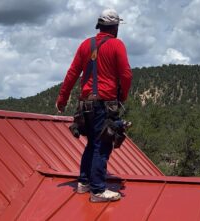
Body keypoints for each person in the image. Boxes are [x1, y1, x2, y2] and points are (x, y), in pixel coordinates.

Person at [56, 8, 132, 202]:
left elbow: (72, 73)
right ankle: (98, 190)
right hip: (104, 104)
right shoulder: (117, 45)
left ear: (100, 26)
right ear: (115, 27)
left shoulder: (85, 45)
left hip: (85, 104)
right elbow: (125, 74)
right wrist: (122, 95)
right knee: (103, 144)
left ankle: (84, 182)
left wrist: (62, 100)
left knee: (91, 143)